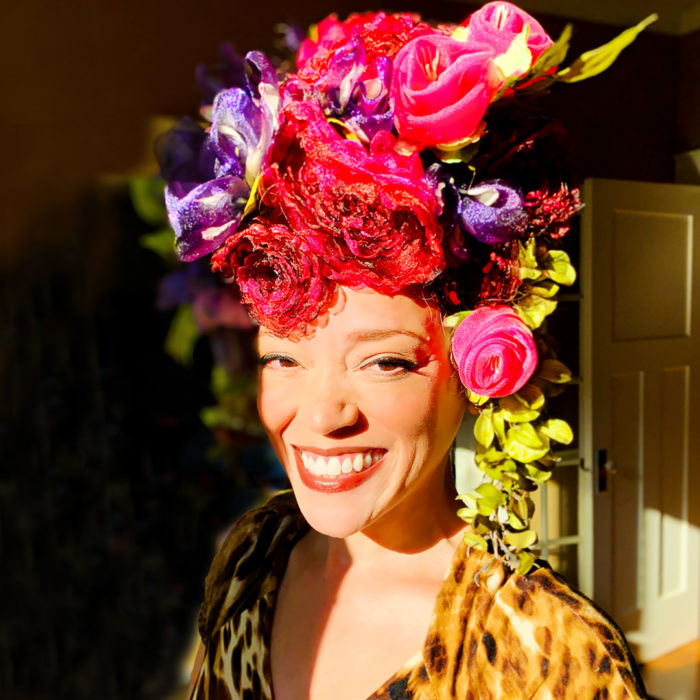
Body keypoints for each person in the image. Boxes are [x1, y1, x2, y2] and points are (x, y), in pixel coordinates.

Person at [157, 3, 653, 697]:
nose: (321, 414)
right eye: (283, 358)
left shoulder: (550, 654)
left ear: (476, 371)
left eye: (384, 361)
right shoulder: (251, 555)